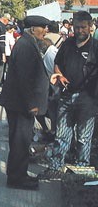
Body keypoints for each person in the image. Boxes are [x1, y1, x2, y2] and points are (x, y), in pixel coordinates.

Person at [39, 11, 98, 180]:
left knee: (84, 138)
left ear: (90, 27)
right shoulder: (67, 44)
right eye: (77, 27)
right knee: (62, 135)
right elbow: (57, 63)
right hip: (66, 96)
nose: (80, 30)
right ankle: (55, 168)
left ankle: (81, 171)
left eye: (83, 27)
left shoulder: (95, 47)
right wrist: (60, 75)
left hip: (87, 100)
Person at [0, 15, 51, 191]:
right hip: (21, 104)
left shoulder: (27, 43)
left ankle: (18, 173)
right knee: (20, 140)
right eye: (42, 27)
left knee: (21, 140)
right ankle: (16, 178)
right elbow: (24, 79)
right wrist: (31, 103)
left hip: (20, 102)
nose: (45, 31)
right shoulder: (26, 46)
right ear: (32, 29)